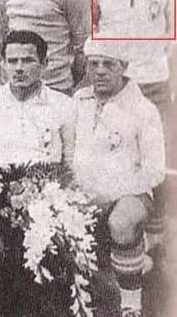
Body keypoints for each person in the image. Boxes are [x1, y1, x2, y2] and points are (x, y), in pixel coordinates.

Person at [0, 30, 76, 316]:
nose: (19, 68)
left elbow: (71, 157)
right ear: (2, 64)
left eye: (28, 60)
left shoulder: (63, 105)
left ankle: (53, 281)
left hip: (47, 192)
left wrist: (63, 193)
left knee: (42, 294)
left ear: (45, 63)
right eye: (12, 61)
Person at [89, 0, 173, 251]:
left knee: (159, 157)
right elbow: (89, 34)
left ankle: (157, 233)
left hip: (154, 83)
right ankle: (108, 230)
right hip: (114, 85)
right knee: (112, 151)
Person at [73, 38, 165, 317]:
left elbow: (155, 170)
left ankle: (130, 304)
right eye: (94, 64)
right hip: (82, 194)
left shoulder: (143, 109)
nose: (100, 71)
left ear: (123, 67)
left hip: (129, 194)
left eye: (108, 65)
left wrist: (110, 193)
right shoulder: (78, 101)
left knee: (121, 222)